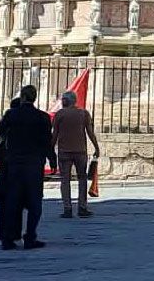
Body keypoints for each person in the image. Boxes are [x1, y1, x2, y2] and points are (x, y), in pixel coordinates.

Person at [0, 84, 55, 251]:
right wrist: (53, 161)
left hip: (14, 163)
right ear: (34, 97)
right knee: (35, 202)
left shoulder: (12, 114)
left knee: (13, 200)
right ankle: (30, 236)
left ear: (22, 97)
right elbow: (47, 142)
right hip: (34, 164)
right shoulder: (42, 117)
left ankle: (7, 238)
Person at [50, 89, 100, 219]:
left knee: (65, 180)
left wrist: (49, 150)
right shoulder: (84, 114)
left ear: (65, 101)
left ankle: (67, 208)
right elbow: (90, 133)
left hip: (64, 152)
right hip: (80, 151)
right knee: (82, 179)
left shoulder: (59, 115)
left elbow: (54, 135)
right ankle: (82, 207)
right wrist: (96, 147)